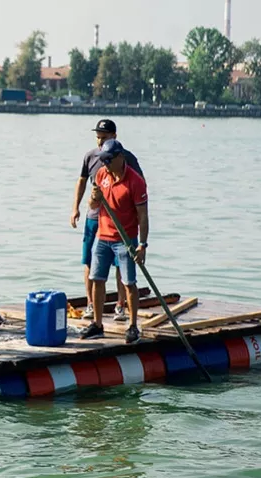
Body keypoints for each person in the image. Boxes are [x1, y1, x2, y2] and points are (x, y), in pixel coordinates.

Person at [70, 119, 144, 322]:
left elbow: (139, 194)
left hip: (120, 225)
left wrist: (142, 240)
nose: (100, 142)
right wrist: (76, 207)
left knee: (123, 267)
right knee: (90, 262)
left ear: (114, 137)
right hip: (95, 219)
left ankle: (121, 306)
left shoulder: (127, 159)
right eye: (98, 137)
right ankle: (91, 306)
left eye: (104, 138)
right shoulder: (91, 157)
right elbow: (82, 181)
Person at [80, 139, 149, 344]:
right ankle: (97, 324)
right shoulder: (102, 174)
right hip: (103, 236)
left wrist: (142, 245)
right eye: (104, 160)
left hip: (125, 239)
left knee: (129, 283)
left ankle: (133, 326)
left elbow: (143, 216)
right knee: (97, 279)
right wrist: (94, 197)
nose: (106, 164)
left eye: (109, 160)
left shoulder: (135, 182)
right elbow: (93, 204)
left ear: (120, 157)